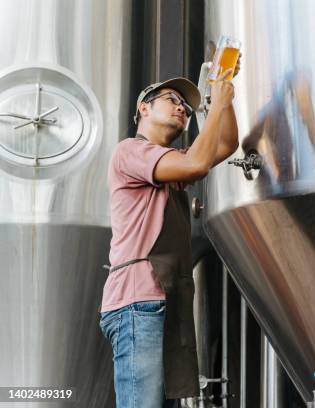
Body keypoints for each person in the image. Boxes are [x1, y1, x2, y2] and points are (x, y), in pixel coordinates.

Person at [98, 64, 239, 408]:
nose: (182, 108)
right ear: (143, 107)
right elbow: (197, 166)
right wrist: (216, 106)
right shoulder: (130, 151)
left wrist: (225, 93)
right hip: (137, 300)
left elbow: (227, 144)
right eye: (173, 99)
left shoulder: (169, 165)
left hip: (160, 301)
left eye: (188, 108)